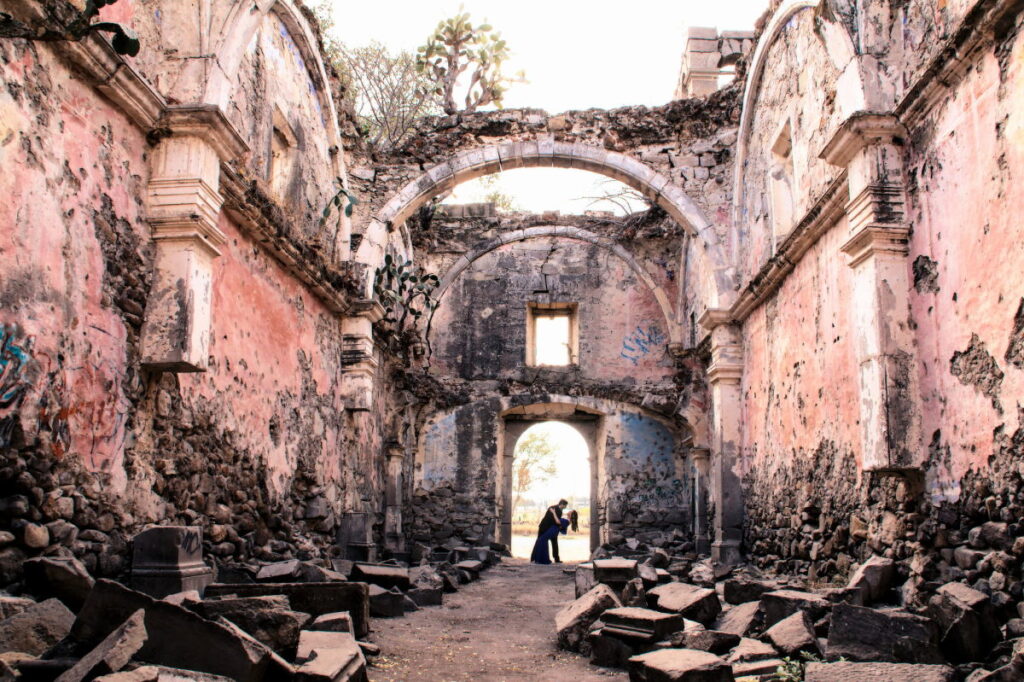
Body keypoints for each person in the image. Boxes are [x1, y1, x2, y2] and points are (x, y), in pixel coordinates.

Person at [534, 499, 568, 563]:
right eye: (565, 506)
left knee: (548, 542)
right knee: (543, 542)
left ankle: (536, 558)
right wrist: (560, 526)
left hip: (549, 528)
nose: (566, 507)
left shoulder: (553, 508)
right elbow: (556, 521)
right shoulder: (556, 510)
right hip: (546, 528)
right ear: (562, 504)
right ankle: (555, 559)